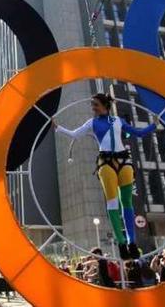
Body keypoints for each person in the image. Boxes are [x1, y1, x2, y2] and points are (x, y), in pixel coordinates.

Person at [52, 93, 158, 260]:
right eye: (92, 104)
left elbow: (138, 133)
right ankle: (121, 242)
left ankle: (132, 242)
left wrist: (154, 125)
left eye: (95, 104)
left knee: (127, 203)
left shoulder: (118, 121)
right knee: (112, 202)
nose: (93, 107)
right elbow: (75, 134)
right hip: (105, 163)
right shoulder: (92, 122)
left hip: (124, 161)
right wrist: (57, 127)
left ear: (104, 105)